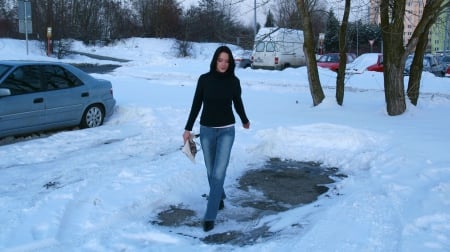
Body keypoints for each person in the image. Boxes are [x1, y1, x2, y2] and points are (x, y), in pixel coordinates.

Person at [183, 45, 250, 232]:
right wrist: (188, 128)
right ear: (215, 60)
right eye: (220, 60)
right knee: (211, 170)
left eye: (227, 61)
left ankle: (210, 214)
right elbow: (196, 105)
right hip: (206, 131)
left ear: (230, 64)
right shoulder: (204, 80)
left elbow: (238, 102)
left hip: (227, 130)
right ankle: (218, 195)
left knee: (219, 172)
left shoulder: (233, 82)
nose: (223, 64)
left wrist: (244, 120)